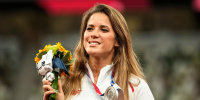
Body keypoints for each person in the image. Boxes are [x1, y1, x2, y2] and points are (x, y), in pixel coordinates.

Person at [43, 4, 154, 100]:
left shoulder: (135, 86)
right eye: (90, 28)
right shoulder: (65, 81)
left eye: (104, 29)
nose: (94, 34)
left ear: (118, 40)